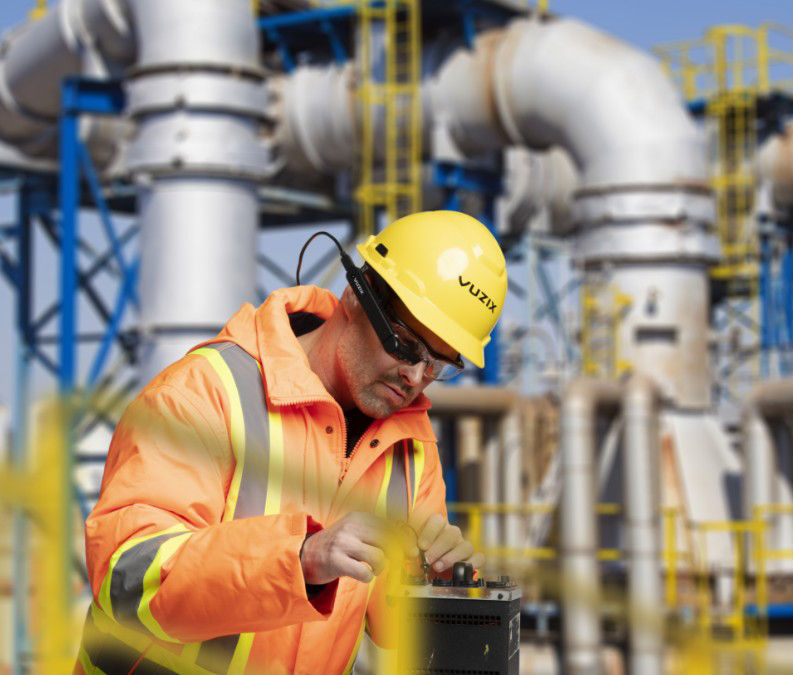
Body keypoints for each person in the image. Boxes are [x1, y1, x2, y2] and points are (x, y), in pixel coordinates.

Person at [73, 210, 508, 674]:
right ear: (356, 297)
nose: (416, 377)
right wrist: (299, 559)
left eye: (439, 364)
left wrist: (440, 587)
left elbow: (388, 620)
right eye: (404, 345)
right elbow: (129, 583)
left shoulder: (411, 448)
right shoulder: (204, 395)